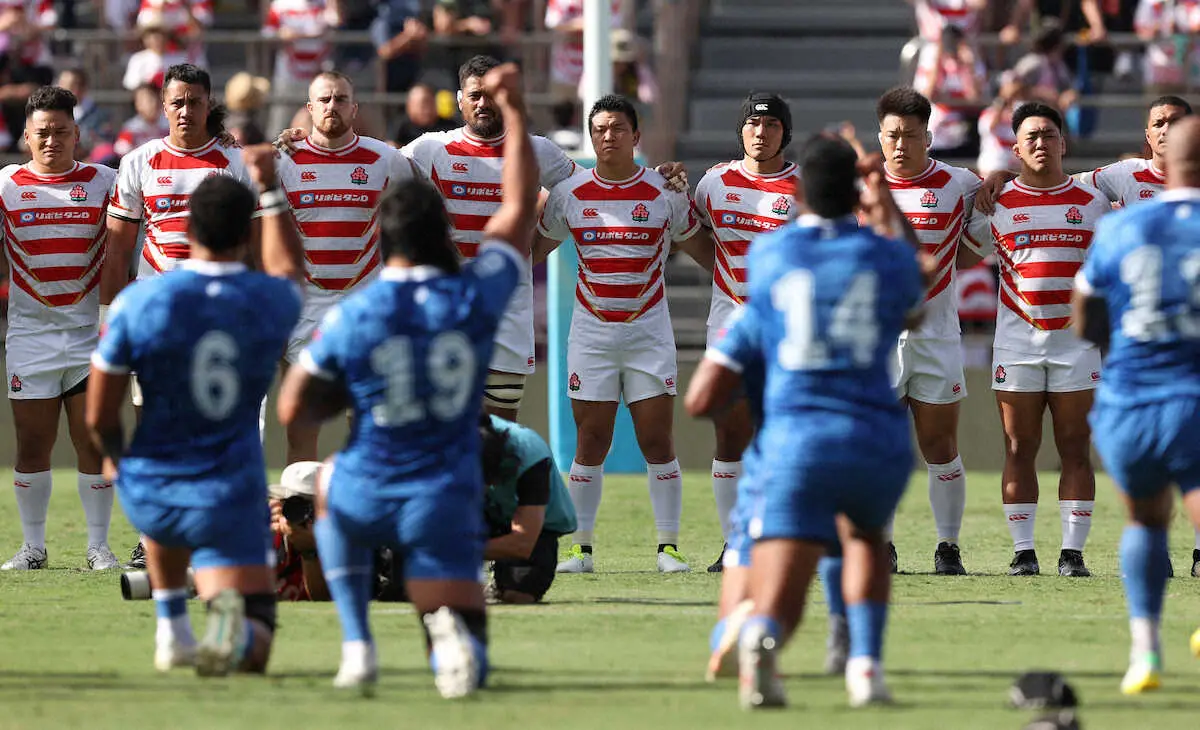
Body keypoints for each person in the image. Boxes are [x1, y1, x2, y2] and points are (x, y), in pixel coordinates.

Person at [276, 61, 538, 698]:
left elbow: (293, 411)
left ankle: (357, 643)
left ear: (382, 235)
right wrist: (517, 113)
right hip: (446, 490)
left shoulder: (356, 313)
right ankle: (448, 631)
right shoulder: (471, 299)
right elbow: (516, 213)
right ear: (440, 235)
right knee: (460, 623)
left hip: (368, 482)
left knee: (319, 489)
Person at [689, 136, 926, 709]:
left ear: (796, 191)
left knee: (781, 586)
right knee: (866, 537)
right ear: (857, 191)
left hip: (793, 440)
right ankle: (865, 666)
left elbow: (704, 396)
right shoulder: (882, 252)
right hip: (871, 431)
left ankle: (761, 639)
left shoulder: (770, 257)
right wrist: (885, 204)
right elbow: (917, 290)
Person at [86, 144, 305, 676]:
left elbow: (98, 416)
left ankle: (171, 628)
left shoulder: (141, 302)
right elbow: (291, 273)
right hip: (231, 488)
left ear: (188, 233)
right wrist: (271, 187)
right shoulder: (265, 299)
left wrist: (118, 458)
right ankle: (226, 607)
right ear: (244, 234)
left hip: (153, 490)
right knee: (255, 649)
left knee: (168, 514)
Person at [534, 94, 713, 575]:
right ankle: (581, 550)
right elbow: (532, 251)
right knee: (590, 441)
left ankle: (668, 547)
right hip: (590, 334)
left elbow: (711, 255)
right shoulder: (569, 194)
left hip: (648, 333)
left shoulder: (664, 192)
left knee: (657, 439)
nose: (607, 136)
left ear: (637, 136)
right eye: (599, 129)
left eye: (617, 128)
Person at [104, 63, 259, 569]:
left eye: (195, 101)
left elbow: (254, 246)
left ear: (208, 102)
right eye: (177, 102)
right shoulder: (139, 162)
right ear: (163, 105)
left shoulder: (233, 162)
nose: (186, 111)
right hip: (157, 321)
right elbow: (117, 249)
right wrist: (111, 322)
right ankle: (154, 536)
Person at [1072, 115, 1200, 695]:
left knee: (1144, 521)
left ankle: (1145, 649)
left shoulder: (1122, 228)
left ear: (1163, 163)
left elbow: (1085, 318)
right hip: (1194, 395)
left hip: (1130, 399)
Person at [963, 102, 1110, 578]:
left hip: (1076, 345)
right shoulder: (996, 204)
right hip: (1017, 345)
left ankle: (1073, 553)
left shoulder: (1093, 202)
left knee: (1075, 445)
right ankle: (1023, 552)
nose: (1041, 143)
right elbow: (963, 256)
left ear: (1063, 144)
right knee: (1017, 447)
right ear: (1015, 147)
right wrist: (992, 180)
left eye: (1049, 135)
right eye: (1031, 137)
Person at [0, 86, 119, 571]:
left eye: (62, 132)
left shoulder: (106, 181)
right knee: (32, 443)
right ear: (26, 136)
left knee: (92, 440)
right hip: (30, 335)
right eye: (42, 133)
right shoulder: (5, 184)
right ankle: (33, 548)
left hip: (92, 334)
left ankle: (98, 546)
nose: (52, 141)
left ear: (78, 134)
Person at [276, 70, 416, 465]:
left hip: (364, 305)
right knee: (301, 431)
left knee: (370, 427)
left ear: (354, 108)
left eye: (340, 99)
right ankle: (298, 524)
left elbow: (407, 229)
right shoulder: (283, 160)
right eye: (323, 100)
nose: (332, 106)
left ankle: (367, 518)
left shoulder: (386, 160)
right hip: (305, 307)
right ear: (309, 108)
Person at [875, 86, 981, 575]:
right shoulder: (863, 190)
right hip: (876, 342)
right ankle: (883, 544)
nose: (901, 145)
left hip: (936, 334)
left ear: (928, 136)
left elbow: (980, 244)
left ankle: (948, 546)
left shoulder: (959, 184)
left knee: (941, 446)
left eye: (910, 136)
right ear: (880, 137)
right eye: (893, 135)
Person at [691, 92, 798, 572]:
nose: (761, 133)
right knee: (730, 437)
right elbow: (693, 235)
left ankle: (786, 542)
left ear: (784, 133)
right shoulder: (713, 182)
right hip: (729, 329)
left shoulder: (804, 187)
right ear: (741, 131)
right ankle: (735, 542)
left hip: (788, 334)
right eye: (753, 125)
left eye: (772, 125)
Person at [481, 414, 577, 604]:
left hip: (533, 525)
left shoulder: (529, 453)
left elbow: (522, 543)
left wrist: (456, 549)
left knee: (518, 594)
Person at [262, 0, 331, 137]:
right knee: (280, 126)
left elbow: (338, 21)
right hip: (287, 77)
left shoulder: (326, 3)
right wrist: (281, 34)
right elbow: (267, 33)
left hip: (320, 80)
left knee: (319, 128)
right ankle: (278, 157)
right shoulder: (280, 4)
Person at [56, 68, 113, 162]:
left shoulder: (99, 115)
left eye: (71, 85)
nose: (64, 89)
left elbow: (103, 144)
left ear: (82, 87)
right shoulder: (49, 113)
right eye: (62, 84)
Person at [113, 83, 170, 158]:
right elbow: (120, 149)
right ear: (137, 105)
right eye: (142, 100)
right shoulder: (131, 128)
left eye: (151, 99)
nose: (150, 104)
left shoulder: (169, 125)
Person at [390, 82, 455, 147]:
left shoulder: (449, 126)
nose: (427, 109)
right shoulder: (401, 126)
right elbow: (390, 146)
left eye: (430, 103)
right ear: (409, 106)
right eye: (422, 105)